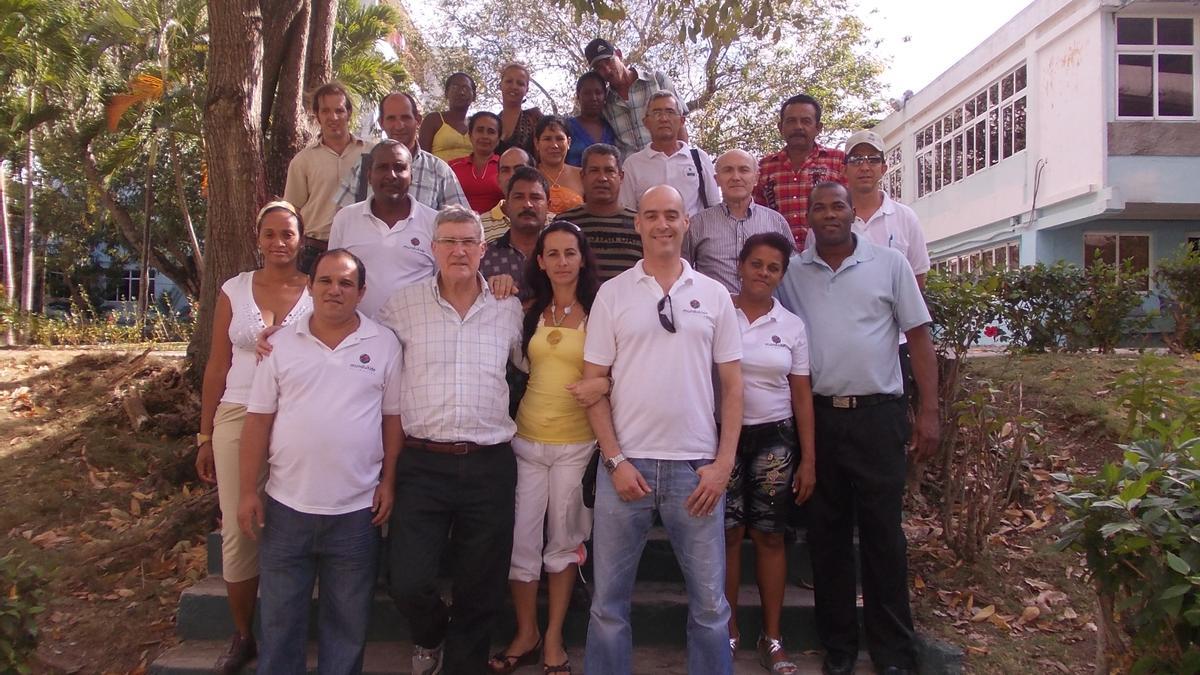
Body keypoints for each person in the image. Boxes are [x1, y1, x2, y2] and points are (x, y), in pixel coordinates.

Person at [775, 182, 939, 675]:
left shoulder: (889, 264)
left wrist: (928, 410)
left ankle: (894, 654)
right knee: (826, 539)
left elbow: (918, 336)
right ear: (807, 217)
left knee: (883, 537)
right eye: (819, 207)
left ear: (852, 213)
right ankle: (839, 649)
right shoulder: (793, 274)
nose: (829, 214)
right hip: (819, 421)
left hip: (878, 417)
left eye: (838, 206)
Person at [581, 185, 744, 675]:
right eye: (651, 215)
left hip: (696, 472)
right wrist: (613, 460)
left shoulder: (715, 295)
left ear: (686, 221)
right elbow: (593, 386)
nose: (662, 225)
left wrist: (722, 465)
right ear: (638, 224)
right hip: (624, 469)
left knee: (712, 607)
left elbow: (733, 387)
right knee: (608, 604)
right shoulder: (612, 294)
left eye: (672, 215)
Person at [237, 248, 403, 674]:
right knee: (279, 625)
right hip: (286, 508)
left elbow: (392, 419)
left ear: (361, 292)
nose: (335, 290)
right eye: (326, 281)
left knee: (347, 628)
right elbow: (257, 421)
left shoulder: (383, 343)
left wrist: (388, 481)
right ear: (310, 287)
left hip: (355, 515)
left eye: (346, 283)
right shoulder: (279, 344)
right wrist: (245, 492)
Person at [377, 205, 524, 675]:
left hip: (490, 462)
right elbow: (367, 355)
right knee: (408, 581)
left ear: (484, 250)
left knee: (481, 585)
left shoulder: (509, 306)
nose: (459, 250)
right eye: (449, 242)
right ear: (433, 249)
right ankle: (430, 634)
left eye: (468, 242)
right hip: (423, 463)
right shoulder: (401, 306)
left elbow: (530, 366)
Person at [195, 201, 312, 674]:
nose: (279, 242)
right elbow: (217, 364)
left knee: (290, 524)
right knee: (240, 526)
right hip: (240, 411)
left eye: (287, 233)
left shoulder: (317, 288)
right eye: (270, 233)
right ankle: (243, 633)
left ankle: (289, 627)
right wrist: (204, 434)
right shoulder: (234, 289)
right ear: (257, 238)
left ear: (301, 238)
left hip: (298, 415)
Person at [488, 221, 604, 675]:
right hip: (526, 441)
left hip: (578, 444)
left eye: (569, 253)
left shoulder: (600, 311)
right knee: (521, 542)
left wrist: (604, 382)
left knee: (563, 542)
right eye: (551, 253)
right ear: (539, 261)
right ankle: (526, 632)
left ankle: (553, 636)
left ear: (582, 258)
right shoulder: (528, 311)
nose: (561, 261)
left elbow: (620, 368)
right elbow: (514, 360)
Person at [721, 232, 815, 675]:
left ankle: (772, 637)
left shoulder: (792, 326)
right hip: (722, 437)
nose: (763, 273)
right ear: (740, 265)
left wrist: (810, 459)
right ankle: (728, 628)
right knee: (726, 535)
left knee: (771, 536)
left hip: (774, 440)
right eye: (756, 263)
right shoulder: (719, 314)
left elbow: (801, 396)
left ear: (782, 274)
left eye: (773, 267)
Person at [840, 130, 930, 408]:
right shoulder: (831, 220)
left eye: (872, 159)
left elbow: (918, 280)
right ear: (845, 168)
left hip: (895, 345)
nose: (864, 167)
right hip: (843, 345)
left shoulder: (904, 218)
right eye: (856, 159)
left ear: (884, 166)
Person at [329, 140, 437, 318]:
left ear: (412, 175)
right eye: (382, 168)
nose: (391, 175)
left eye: (400, 167)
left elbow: (444, 282)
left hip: (417, 334)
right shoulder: (345, 219)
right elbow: (332, 278)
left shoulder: (434, 223)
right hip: (356, 334)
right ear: (369, 175)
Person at [284, 82, 369, 272]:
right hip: (315, 250)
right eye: (326, 111)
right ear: (317, 115)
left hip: (363, 247)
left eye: (339, 110)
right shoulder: (303, 160)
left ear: (349, 113)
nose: (333, 117)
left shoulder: (371, 153)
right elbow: (292, 210)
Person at [684, 149, 793, 292]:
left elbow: (791, 272)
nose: (736, 177)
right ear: (717, 180)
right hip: (714, 311)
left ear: (755, 178)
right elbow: (682, 271)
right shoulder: (698, 224)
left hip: (764, 311)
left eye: (744, 170)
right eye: (728, 170)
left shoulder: (776, 222)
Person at [753, 94, 847, 249]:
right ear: (780, 127)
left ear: (818, 128)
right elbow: (756, 215)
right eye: (791, 121)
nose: (798, 127)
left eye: (806, 121)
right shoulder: (764, 167)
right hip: (780, 262)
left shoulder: (838, 161)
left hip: (828, 258)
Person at [360, 91, 467, 211]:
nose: (399, 125)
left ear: (418, 120)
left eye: (405, 118)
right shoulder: (364, 166)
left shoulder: (439, 171)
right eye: (391, 118)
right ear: (381, 123)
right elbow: (343, 215)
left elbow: (463, 220)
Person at [619, 91, 718, 216]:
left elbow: (714, 206)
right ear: (646, 123)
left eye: (670, 112)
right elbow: (628, 213)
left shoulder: (699, 158)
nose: (664, 118)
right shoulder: (632, 164)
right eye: (656, 113)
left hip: (696, 235)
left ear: (682, 121)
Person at [585, 38, 689, 158]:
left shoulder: (657, 81)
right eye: (599, 68)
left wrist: (682, 160)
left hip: (667, 163)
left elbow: (680, 124)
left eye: (609, 61)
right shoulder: (605, 103)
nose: (607, 70)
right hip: (630, 172)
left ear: (619, 54)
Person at [555, 143, 641, 281]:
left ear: (621, 176)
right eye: (594, 170)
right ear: (582, 176)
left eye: (609, 171)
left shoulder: (640, 225)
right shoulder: (565, 224)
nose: (602, 178)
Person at [481, 166, 551, 287]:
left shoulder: (560, 255)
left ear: (548, 206)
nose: (527, 205)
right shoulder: (485, 258)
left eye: (535, 198)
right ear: (507, 205)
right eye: (519, 197)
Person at [450, 111, 506, 214]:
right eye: (480, 130)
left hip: (500, 228)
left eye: (491, 132)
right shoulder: (452, 167)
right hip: (459, 225)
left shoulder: (506, 166)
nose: (485, 136)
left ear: (498, 139)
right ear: (470, 135)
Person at [481, 147, 538, 243]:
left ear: (534, 175)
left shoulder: (552, 222)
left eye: (519, 169)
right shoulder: (480, 226)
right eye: (505, 170)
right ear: (498, 179)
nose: (512, 175)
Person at [420, 72, 476, 163]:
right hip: (439, 176)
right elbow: (422, 157)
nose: (461, 92)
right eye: (455, 87)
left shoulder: (476, 125)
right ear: (446, 93)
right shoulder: (433, 120)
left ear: (474, 96)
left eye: (466, 88)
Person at [535, 115, 584, 215]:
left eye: (559, 139)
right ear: (536, 143)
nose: (554, 145)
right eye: (547, 139)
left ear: (569, 142)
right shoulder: (528, 176)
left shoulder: (582, 175)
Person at [566, 73, 616, 167]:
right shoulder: (567, 127)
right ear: (578, 95)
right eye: (587, 93)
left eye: (598, 93)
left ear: (605, 95)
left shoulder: (611, 127)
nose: (593, 98)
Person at [496, 62, 544, 156]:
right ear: (500, 85)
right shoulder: (491, 122)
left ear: (526, 90)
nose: (514, 87)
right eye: (509, 81)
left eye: (520, 83)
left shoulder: (535, 119)